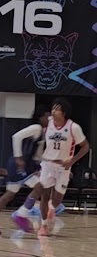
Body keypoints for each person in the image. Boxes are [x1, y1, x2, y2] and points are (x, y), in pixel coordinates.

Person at [0, 106, 50, 236]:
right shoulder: (36, 128)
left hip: (21, 164)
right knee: (40, 186)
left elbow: (38, 154)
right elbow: (16, 137)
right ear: (40, 117)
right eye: (47, 116)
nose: (49, 119)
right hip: (20, 164)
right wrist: (19, 158)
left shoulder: (41, 131)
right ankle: (21, 214)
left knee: (10, 194)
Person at [35, 98, 89, 237]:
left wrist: (72, 160)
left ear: (64, 112)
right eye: (53, 108)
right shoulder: (47, 122)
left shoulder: (73, 127)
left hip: (63, 166)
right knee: (44, 195)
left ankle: (53, 208)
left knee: (57, 198)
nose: (53, 111)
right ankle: (44, 226)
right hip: (47, 164)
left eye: (57, 109)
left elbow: (85, 146)